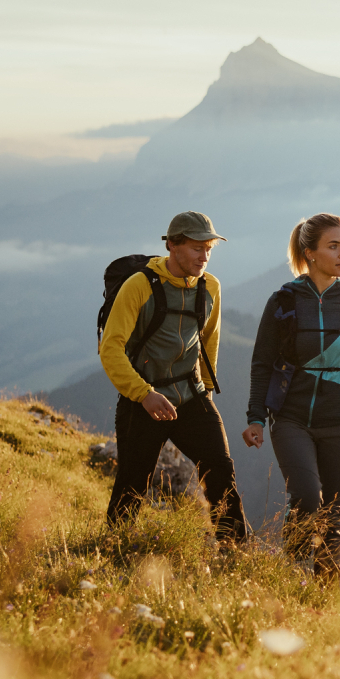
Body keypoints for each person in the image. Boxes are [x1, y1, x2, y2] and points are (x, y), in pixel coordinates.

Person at [241, 212, 340, 576]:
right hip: (291, 418)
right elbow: (262, 363)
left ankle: (324, 596)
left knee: (334, 514)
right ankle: (293, 573)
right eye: (334, 246)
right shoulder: (284, 301)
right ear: (310, 253)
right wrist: (255, 416)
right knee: (306, 497)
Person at [100, 211, 249, 544]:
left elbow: (208, 340)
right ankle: (114, 545)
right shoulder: (139, 286)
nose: (204, 256)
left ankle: (234, 551)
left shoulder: (210, 286)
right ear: (172, 245)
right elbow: (111, 350)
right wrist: (144, 394)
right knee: (133, 482)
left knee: (220, 470)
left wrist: (206, 392)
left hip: (191, 396)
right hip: (143, 399)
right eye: (197, 247)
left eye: (209, 248)